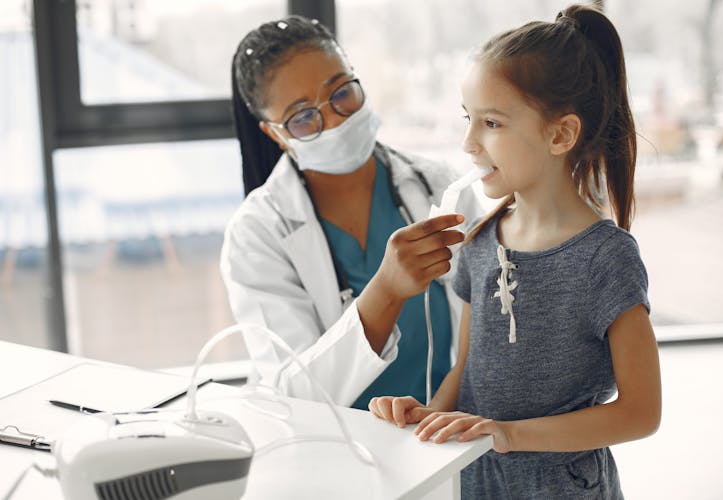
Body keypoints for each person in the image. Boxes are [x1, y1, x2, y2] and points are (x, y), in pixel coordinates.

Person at [368, 5, 661, 499]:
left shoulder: (605, 259)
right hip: (477, 483)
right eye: (468, 119)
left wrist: (508, 434)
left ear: (560, 134)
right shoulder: (480, 241)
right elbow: (467, 374)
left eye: (492, 123)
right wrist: (429, 418)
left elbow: (641, 413)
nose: (467, 143)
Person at [221, 16, 484, 409]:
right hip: (334, 456)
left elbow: (490, 333)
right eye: (303, 117)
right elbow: (295, 394)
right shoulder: (258, 233)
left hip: (441, 444)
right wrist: (386, 291)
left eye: (341, 93)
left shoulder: (438, 185)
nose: (334, 120)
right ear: (275, 134)